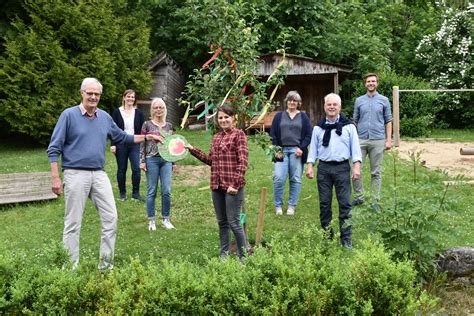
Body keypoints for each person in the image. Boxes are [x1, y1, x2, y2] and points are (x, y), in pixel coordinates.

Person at [47, 77, 162, 270]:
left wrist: (147, 137)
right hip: (75, 174)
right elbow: (54, 148)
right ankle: (70, 268)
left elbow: (122, 137)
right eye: (89, 93)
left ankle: (106, 265)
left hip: (98, 174)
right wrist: (55, 176)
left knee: (111, 218)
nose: (93, 97)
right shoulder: (68, 115)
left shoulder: (105, 117)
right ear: (82, 93)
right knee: (73, 223)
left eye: (96, 94)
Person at [186, 105, 248, 261]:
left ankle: (243, 257)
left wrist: (235, 184)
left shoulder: (239, 135)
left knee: (234, 223)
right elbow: (210, 160)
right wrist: (192, 149)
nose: (223, 120)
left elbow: (243, 162)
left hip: (232, 187)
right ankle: (224, 255)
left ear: (233, 118)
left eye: (226, 117)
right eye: (220, 118)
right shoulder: (216, 137)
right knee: (222, 223)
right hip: (217, 186)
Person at [306, 93, 362, 249]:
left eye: (334, 105)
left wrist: (356, 167)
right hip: (323, 169)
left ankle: (346, 239)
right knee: (325, 204)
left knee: (345, 204)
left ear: (340, 107)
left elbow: (356, 150)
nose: (331, 107)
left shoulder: (349, 127)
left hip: (342, 168)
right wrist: (310, 165)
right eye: (329, 104)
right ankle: (327, 236)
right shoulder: (318, 128)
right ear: (324, 107)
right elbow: (313, 150)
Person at [270, 90, 312, 216]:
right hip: (280, 149)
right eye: (290, 100)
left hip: (296, 151)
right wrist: (277, 149)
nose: (292, 102)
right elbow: (273, 134)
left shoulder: (304, 117)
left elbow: (308, 135)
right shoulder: (279, 116)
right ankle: (278, 206)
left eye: (294, 100)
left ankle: (291, 206)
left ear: (298, 103)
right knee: (278, 178)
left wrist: (302, 148)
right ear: (286, 102)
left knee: (295, 179)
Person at [352, 73, 392, 205]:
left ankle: (375, 200)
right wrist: (352, 140)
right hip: (361, 140)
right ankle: (359, 198)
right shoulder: (359, 100)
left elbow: (388, 121)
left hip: (378, 140)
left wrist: (388, 140)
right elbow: (355, 121)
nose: (371, 83)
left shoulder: (384, 100)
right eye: (368, 81)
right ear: (365, 84)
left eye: (373, 81)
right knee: (356, 170)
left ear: (377, 83)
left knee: (376, 172)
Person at [140, 97, 175, 230]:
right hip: (151, 160)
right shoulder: (147, 124)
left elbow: (172, 145)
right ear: (152, 110)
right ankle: (151, 221)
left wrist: (173, 162)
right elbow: (142, 143)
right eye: (156, 107)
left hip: (166, 160)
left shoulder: (169, 126)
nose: (158, 110)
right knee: (151, 191)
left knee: (166, 190)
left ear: (164, 109)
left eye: (161, 107)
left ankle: (166, 219)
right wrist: (142, 161)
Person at [111, 89, 145, 202]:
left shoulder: (138, 113)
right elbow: (113, 129)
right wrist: (113, 144)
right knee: (122, 169)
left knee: (136, 168)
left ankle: (136, 193)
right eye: (128, 96)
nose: (130, 99)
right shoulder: (117, 112)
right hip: (121, 143)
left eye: (133, 97)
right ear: (124, 98)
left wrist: (143, 143)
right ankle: (122, 193)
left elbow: (142, 130)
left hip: (135, 143)